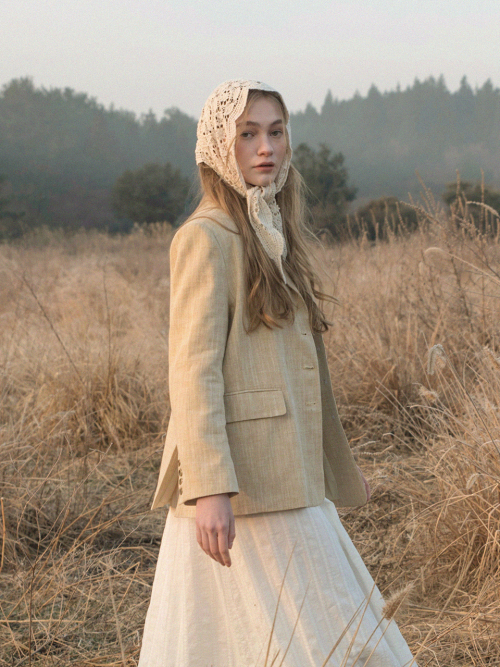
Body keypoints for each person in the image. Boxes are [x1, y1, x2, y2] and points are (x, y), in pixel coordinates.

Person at [138, 80, 416, 667]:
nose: (266, 147)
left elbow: (302, 376)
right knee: (256, 632)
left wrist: (337, 466)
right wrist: (209, 487)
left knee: (316, 627)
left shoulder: (271, 232)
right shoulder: (205, 238)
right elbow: (193, 373)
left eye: (276, 132)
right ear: (219, 147)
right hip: (239, 482)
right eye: (248, 134)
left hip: (290, 471)